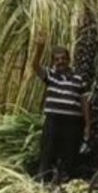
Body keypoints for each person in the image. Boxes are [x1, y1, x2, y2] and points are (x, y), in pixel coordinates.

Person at [31, 43, 89, 183]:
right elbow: (35, 67)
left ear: (69, 60)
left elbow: (84, 102)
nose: (60, 61)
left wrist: (88, 124)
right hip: (53, 121)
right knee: (48, 152)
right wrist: (39, 49)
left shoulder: (78, 78)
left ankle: (65, 183)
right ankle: (43, 181)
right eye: (57, 59)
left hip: (72, 123)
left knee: (69, 154)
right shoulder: (50, 75)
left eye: (63, 58)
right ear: (53, 62)